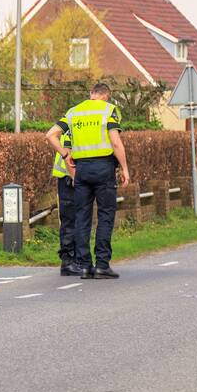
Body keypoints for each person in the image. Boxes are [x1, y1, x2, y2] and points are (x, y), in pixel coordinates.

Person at [48, 82, 130, 279]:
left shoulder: (73, 112)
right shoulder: (109, 110)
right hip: (103, 168)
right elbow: (115, 142)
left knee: (81, 218)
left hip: (81, 170)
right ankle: (102, 265)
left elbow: (50, 135)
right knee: (105, 215)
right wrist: (125, 168)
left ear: (91, 94)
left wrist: (65, 155)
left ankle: (84, 266)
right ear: (106, 96)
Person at [44, 121, 79, 275]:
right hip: (68, 178)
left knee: (76, 220)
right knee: (70, 220)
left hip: (70, 177)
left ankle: (75, 259)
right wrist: (74, 177)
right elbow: (67, 153)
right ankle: (68, 261)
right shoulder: (72, 125)